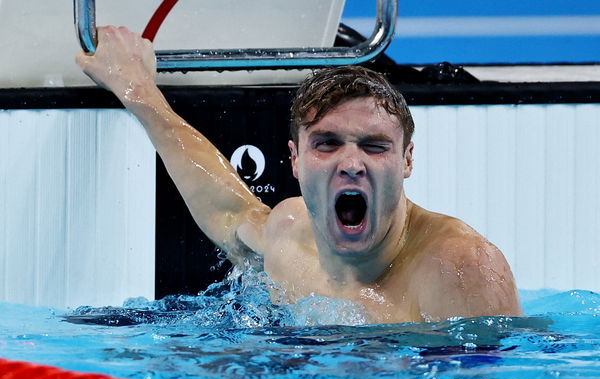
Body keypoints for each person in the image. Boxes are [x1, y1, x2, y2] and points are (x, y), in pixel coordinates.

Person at [77, 26, 522, 323]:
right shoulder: (291, 233)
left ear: (407, 160)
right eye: (327, 144)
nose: (351, 163)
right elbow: (230, 211)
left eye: (374, 145)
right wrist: (137, 89)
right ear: (294, 159)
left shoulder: (459, 271)